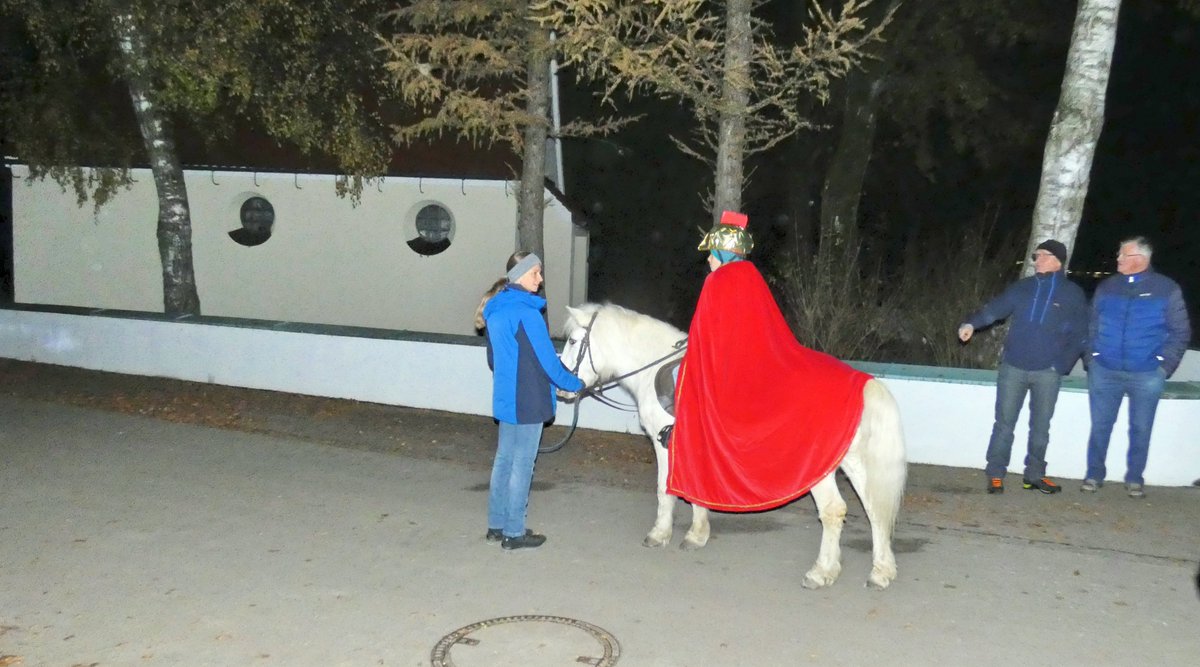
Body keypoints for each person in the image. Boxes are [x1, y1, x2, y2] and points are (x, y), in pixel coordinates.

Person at [666, 211, 872, 511]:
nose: (708, 260)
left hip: (738, 370)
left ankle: (678, 438)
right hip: (763, 358)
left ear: (723, 253)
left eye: (711, 254)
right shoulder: (752, 276)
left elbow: (707, 338)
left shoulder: (718, 281)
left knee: (689, 394)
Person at [957, 239, 1088, 495]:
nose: (1035, 259)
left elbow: (1081, 334)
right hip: (1013, 368)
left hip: (1047, 372)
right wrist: (971, 324)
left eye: (1040, 255)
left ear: (1056, 260)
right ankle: (996, 473)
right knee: (1004, 423)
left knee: (1041, 427)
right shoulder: (1023, 288)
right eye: (1035, 255)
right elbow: (995, 309)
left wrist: (1060, 366)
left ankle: (1035, 476)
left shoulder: (1072, 294)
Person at [475, 251, 584, 549]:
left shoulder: (496, 309)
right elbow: (549, 363)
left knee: (504, 461)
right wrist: (576, 383)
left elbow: (493, 360)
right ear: (521, 273)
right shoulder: (527, 313)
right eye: (536, 272)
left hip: (506, 398)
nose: (540, 278)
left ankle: (496, 526)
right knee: (522, 464)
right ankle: (514, 532)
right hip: (529, 399)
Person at [1082, 236, 1191, 498]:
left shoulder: (1167, 289)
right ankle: (1094, 475)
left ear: (1140, 260)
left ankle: (1134, 478)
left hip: (1146, 373)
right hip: (1105, 370)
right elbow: (1090, 324)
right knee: (1100, 426)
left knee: (1141, 427)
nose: (1117, 259)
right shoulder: (1107, 287)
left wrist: (1163, 366)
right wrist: (1091, 358)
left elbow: (1180, 332)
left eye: (1122, 255)